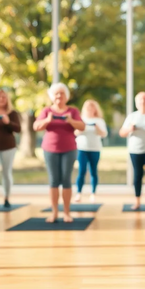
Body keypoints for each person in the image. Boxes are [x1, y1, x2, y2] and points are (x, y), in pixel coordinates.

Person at [33, 83, 85, 223]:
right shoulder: (46, 111)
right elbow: (36, 126)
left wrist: (70, 120)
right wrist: (47, 120)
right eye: (56, 93)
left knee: (66, 179)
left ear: (66, 96)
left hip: (69, 149)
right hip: (50, 149)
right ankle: (54, 212)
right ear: (52, 96)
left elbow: (82, 126)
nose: (59, 96)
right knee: (54, 180)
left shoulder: (72, 111)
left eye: (62, 93)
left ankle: (67, 213)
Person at [74, 99, 108, 203]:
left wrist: (97, 128)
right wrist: (82, 128)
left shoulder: (99, 121)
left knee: (93, 171)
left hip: (95, 149)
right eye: (88, 107)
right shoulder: (80, 120)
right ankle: (78, 193)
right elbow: (75, 133)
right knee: (82, 171)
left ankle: (93, 193)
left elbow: (104, 134)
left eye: (92, 107)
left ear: (95, 109)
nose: (90, 109)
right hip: (82, 149)